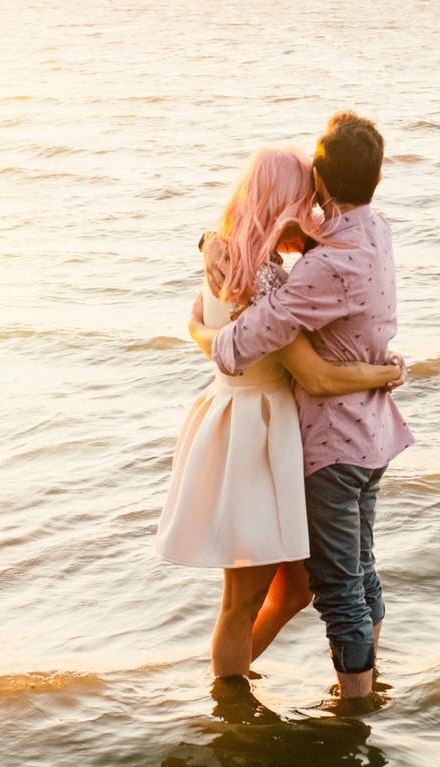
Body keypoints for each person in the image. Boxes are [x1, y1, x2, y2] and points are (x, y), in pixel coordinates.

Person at [156, 145, 404, 682]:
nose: (312, 211)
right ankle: (229, 696)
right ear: (281, 201)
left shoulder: (242, 256)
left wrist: (199, 318)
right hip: (252, 434)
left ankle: (231, 681)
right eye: (304, 199)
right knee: (243, 599)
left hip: (270, 431)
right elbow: (309, 372)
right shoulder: (254, 276)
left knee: (295, 588)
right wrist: (384, 373)